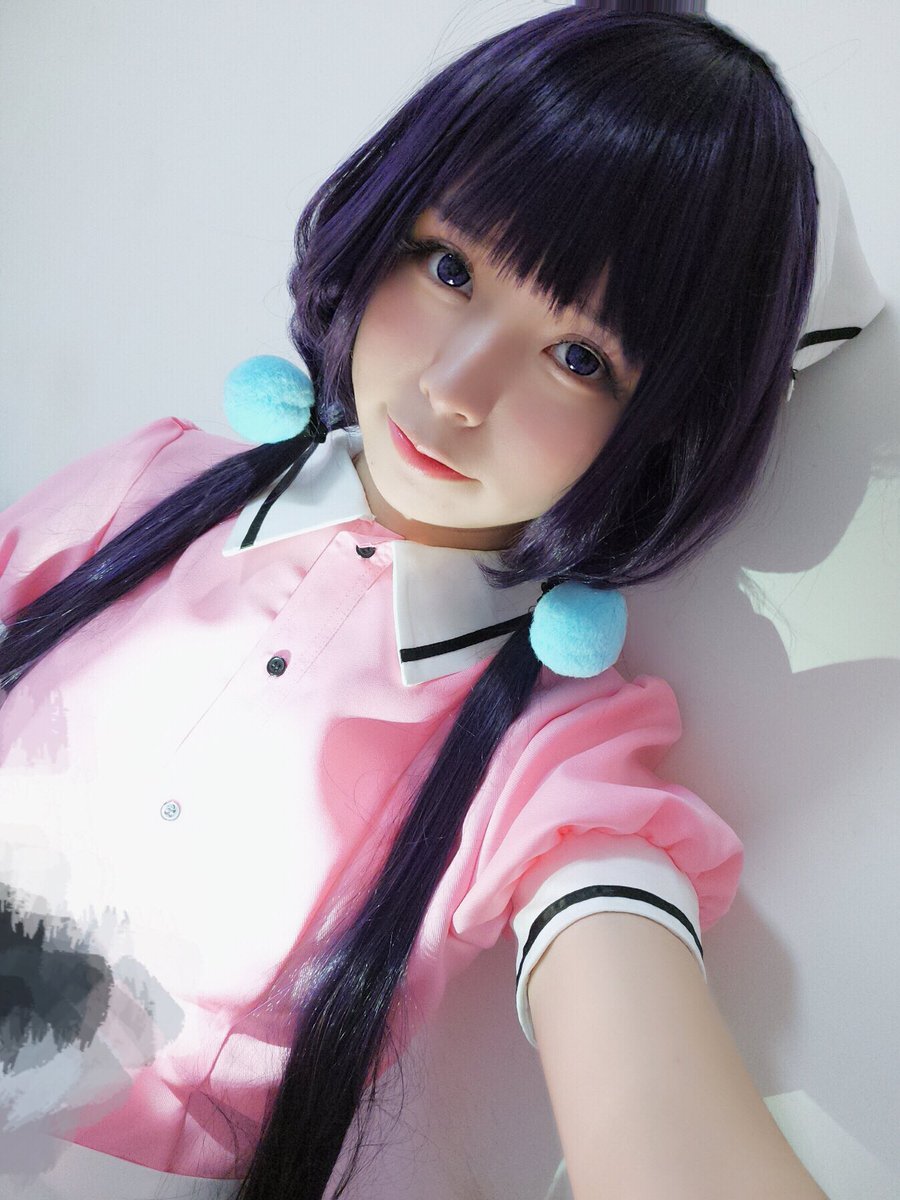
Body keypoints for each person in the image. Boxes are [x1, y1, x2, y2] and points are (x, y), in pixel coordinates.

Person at [0, 7, 883, 1200]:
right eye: (451, 267)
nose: (457, 388)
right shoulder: (151, 485)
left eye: (581, 358)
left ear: (664, 431)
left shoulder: (550, 753)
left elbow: (658, 1117)